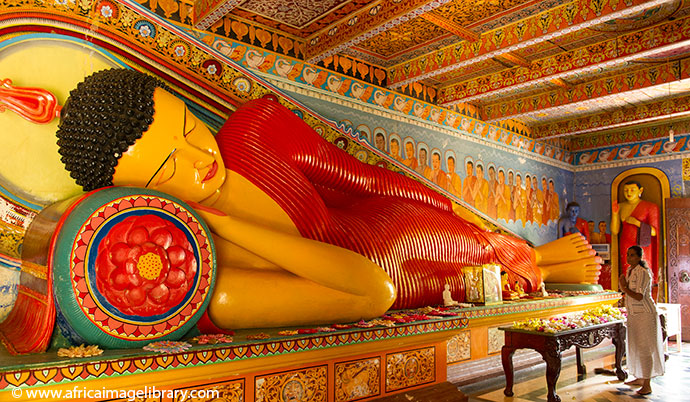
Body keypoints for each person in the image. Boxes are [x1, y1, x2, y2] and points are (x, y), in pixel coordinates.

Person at [52, 69, 601, 330]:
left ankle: (546, 258)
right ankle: (546, 263)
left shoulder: (252, 132)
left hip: (395, 220)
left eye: (190, 129)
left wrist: (449, 206)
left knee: (480, 247)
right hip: (394, 278)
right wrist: (223, 223)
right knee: (469, 284)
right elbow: (372, 291)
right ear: (140, 195)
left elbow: (362, 178)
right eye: (170, 167)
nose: (200, 158)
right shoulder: (214, 276)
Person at [619, 246, 664, 395]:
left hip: (645, 313)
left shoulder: (643, 273)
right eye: (628, 254)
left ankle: (647, 384)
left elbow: (639, 296)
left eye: (632, 255)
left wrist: (624, 287)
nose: (629, 258)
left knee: (645, 348)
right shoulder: (630, 271)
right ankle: (639, 377)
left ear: (639, 257)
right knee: (635, 345)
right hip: (634, 314)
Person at [611, 181, 660, 282]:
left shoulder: (650, 207)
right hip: (626, 243)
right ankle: (628, 293)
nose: (629, 193)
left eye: (632, 190)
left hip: (642, 244)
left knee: (643, 272)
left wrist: (637, 223)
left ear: (640, 190)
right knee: (628, 270)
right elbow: (615, 231)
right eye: (626, 190)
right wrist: (615, 214)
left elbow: (654, 232)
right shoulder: (621, 206)